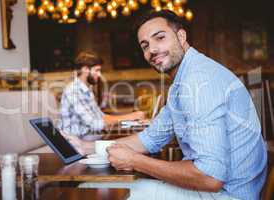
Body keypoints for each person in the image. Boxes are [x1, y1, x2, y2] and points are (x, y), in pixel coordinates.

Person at [63, 10, 267, 200]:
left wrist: (135, 161)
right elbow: (149, 138)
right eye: (144, 45)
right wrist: (86, 147)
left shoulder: (198, 80)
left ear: (181, 37)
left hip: (228, 195)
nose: (152, 50)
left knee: (111, 192)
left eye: (160, 38)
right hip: (219, 190)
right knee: (103, 187)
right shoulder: (182, 84)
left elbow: (210, 177)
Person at [57, 52, 145, 139]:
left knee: (134, 139)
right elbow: (95, 124)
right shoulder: (73, 91)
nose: (99, 75)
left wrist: (130, 118)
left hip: (92, 140)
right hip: (76, 145)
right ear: (85, 69)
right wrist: (130, 117)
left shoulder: (86, 90)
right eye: (97, 70)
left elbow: (101, 116)